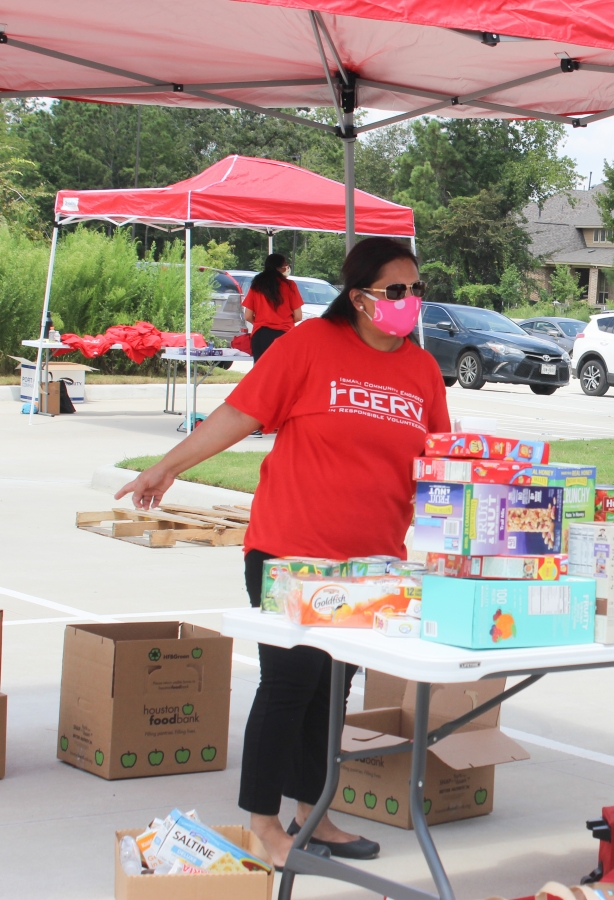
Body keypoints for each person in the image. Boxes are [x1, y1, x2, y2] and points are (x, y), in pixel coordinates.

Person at [116, 237, 451, 867]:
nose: (411, 302)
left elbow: (437, 462)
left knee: (335, 686)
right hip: (289, 551)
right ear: (360, 297)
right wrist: (164, 469)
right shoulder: (308, 347)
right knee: (291, 681)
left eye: (417, 290)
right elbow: (238, 413)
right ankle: (264, 822)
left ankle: (313, 815)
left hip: (371, 564)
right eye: (397, 291)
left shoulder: (421, 369)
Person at [242, 253, 304, 362]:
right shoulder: (290, 285)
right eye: (285, 264)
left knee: (260, 374)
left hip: (260, 335)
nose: (287, 267)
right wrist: (284, 320)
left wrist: (261, 322)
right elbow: (298, 316)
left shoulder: (257, 285)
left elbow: (247, 316)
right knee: (281, 374)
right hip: (283, 335)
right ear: (278, 267)